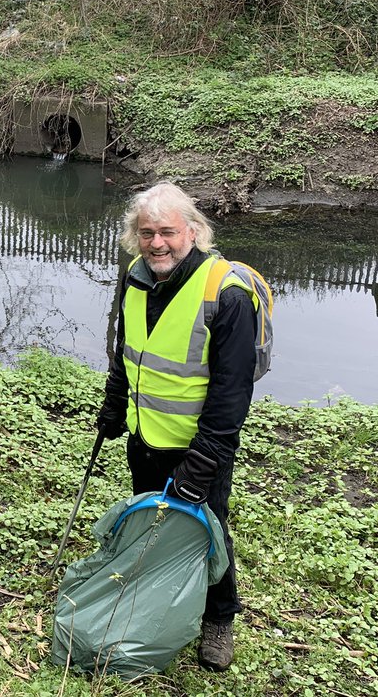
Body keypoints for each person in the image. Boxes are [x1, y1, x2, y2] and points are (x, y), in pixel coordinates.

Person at [95, 181, 256, 673]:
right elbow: (128, 350)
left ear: (193, 231)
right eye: (147, 233)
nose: (157, 243)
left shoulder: (226, 293)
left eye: (167, 231)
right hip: (146, 436)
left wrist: (204, 461)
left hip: (198, 448)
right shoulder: (135, 278)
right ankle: (153, 601)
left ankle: (219, 619)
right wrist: (115, 403)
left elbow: (232, 393)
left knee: (208, 532)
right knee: (150, 525)